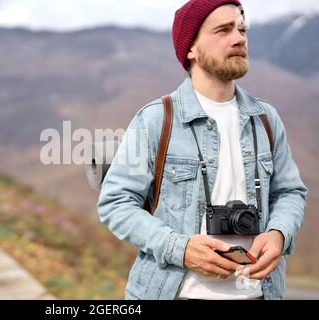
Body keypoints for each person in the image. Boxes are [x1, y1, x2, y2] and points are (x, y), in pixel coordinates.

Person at [97, 0, 308, 300]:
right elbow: (116, 203)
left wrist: (278, 234)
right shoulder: (156, 119)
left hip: (259, 294)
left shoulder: (266, 119)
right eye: (223, 30)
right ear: (191, 49)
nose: (239, 38)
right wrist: (180, 249)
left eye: (242, 29)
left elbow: (290, 192)